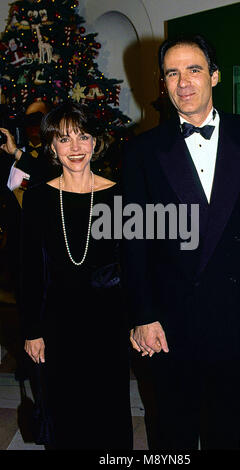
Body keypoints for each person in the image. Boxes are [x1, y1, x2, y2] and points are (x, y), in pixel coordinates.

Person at [122, 34, 240, 450]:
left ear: (214, 76)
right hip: (169, 321)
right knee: (171, 429)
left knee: (223, 426)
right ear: (163, 84)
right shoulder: (143, 151)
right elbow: (135, 242)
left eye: (194, 70)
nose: (184, 82)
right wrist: (143, 315)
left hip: (234, 314)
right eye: (172, 73)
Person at [20, 101, 133, 449]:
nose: (76, 148)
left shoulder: (119, 196)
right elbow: (29, 271)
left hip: (108, 325)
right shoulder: (38, 199)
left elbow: (132, 267)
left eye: (83, 137)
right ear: (52, 146)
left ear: (95, 142)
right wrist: (32, 330)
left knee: (108, 410)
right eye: (65, 140)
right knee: (64, 411)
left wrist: (138, 319)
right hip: (58, 325)